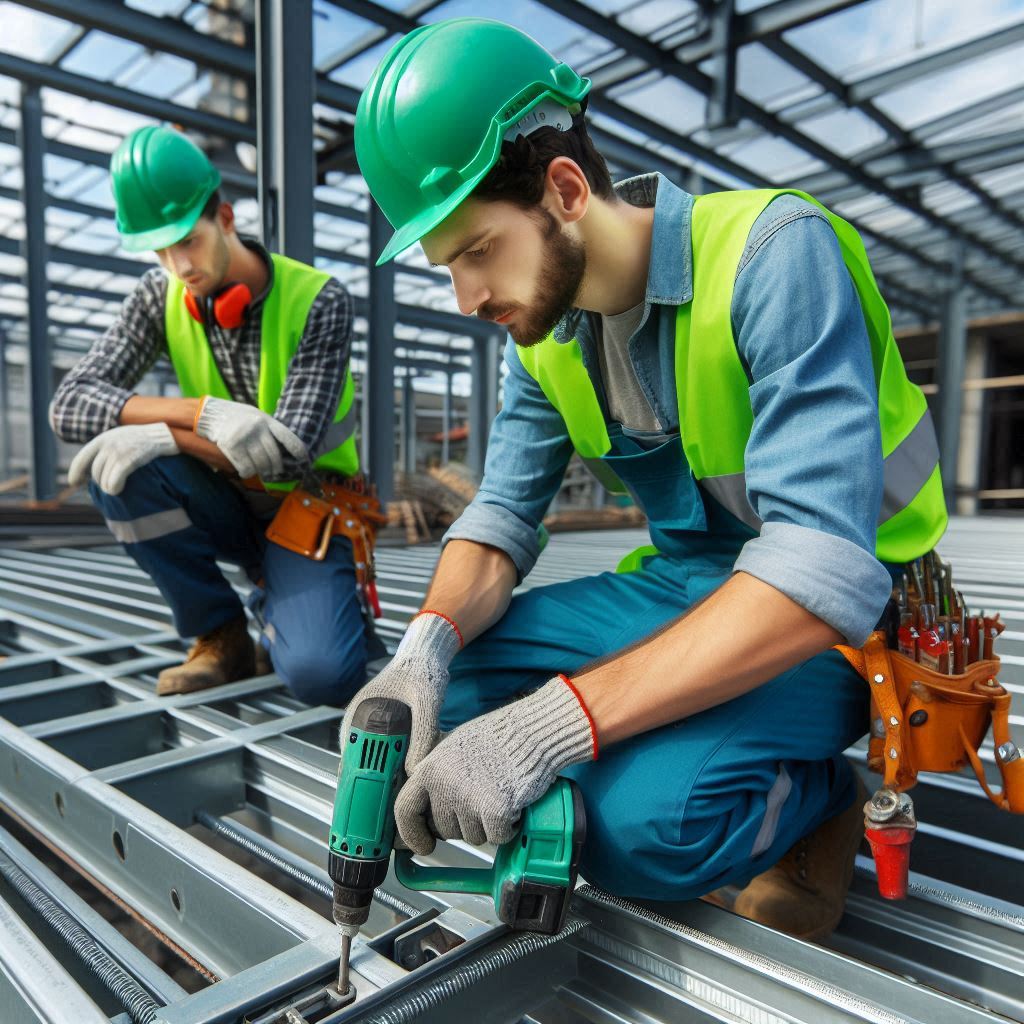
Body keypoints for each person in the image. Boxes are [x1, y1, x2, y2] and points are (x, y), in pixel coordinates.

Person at [344, 17, 947, 940]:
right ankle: (656, 748)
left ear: (566, 188)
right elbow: (501, 515)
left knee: (645, 834)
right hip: (687, 585)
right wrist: (421, 651)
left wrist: (546, 731)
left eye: (476, 251)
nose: (468, 298)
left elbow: (822, 570)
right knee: (426, 726)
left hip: (838, 622)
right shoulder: (545, 337)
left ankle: (819, 803)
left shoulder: (774, 253)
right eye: (448, 267)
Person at [51, 125, 371, 705]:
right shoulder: (159, 296)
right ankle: (221, 635)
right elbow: (69, 404)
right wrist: (192, 418)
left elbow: (286, 453)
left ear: (224, 217)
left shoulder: (320, 300)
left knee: (322, 676)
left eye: (188, 241)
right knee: (119, 472)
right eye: (161, 250)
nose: (179, 265)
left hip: (308, 506)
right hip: (226, 498)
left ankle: (294, 600)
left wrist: (164, 435)